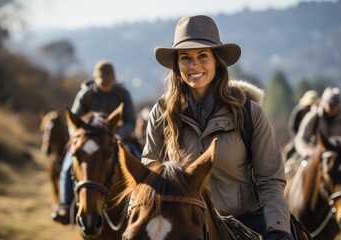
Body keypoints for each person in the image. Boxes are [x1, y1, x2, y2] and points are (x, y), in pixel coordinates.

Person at [141, 15, 291, 240]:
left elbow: (271, 179)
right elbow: (150, 171)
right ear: (177, 64)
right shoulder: (161, 114)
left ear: (217, 61)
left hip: (246, 218)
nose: (194, 65)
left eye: (203, 55)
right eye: (185, 57)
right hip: (185, 222)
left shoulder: (249, 112)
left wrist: (278, 228)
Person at [52, 60, 137, 224]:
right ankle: (65, 205)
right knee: (67, 166)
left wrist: (117, 134)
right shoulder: (85, 95)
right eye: (102, 80)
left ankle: (142, 200)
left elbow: (131, 121)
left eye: (109, 80)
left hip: (116, 138)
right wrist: (80, 140)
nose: (106, 83)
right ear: (95, 79)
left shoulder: (122, 94)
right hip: (87, 141)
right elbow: (74, 124)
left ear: (113, 79)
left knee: (139, 158)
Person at [294, 87, 341, 159]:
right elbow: (301, 138)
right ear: (324, 102)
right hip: (315, 156)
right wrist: (308, 152)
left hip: (339, 156)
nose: (333, 107)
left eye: (335, 104)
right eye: (330, 104)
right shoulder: (313, 117)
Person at [283, 90, 319, 161]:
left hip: (313, 140)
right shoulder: (298, 111)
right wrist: (297, 139)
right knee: (288, 153)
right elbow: (292, 128)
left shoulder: (317, 114)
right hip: (298, 138)